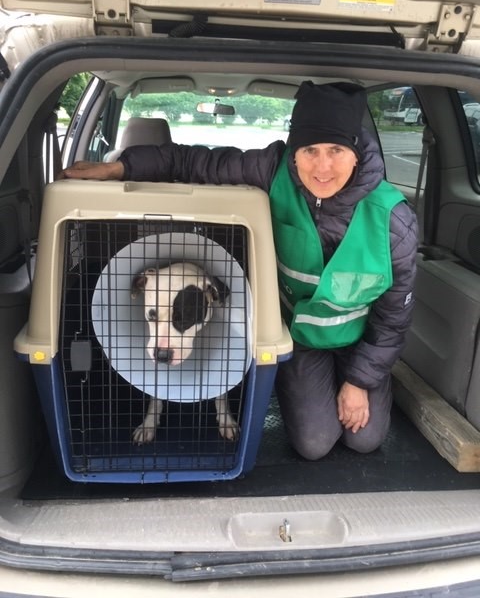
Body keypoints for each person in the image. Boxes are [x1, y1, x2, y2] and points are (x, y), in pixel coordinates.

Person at [62, 81, 418, 460]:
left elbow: (394, 319)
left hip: (360, 340)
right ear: (294, 151)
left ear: (356, 153)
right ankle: (302, 382)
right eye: (310, 150)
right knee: (314, 445)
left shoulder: (394, 221)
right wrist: (122, 167)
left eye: (336, 150)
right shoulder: (271, 171)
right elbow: (193, 163)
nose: (323, 166)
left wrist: (359, 381)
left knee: (365, 440)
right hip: (298, 336)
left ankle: (360, 384)